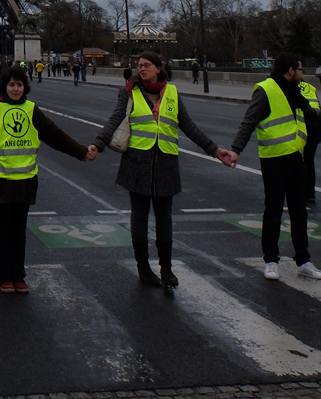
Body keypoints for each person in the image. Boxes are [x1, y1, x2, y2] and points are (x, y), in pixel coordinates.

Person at [88, 51, 235, 289]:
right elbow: (115, 120)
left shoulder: (173, 93)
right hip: (137, 162)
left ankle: (166, 267)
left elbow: (189, 127)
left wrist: (216, 151)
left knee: (165, 218)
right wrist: (98, 144)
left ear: (158, 68)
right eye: (140, 65)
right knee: (139, 217)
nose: (142, 69)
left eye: (147, 65)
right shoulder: (129, 92)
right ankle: (143, 267)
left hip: (166, 162)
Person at [0, 64, 88, 294]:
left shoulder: (31, 109)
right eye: (12, 85)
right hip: (0, 180)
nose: (16, 89)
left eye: (19, 85)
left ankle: (18, 275)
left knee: (19, 230)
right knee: (5, 229)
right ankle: (4, 276)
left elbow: (54, 135)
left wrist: (81, 152)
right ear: (4, 86)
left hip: (26, 180)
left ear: (25, 87)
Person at [227, 52, 321, 280]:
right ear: (290, 71)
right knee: (273, 212)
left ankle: (304, 261)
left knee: (299, 213)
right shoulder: (266, 90)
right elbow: (249, 121)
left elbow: (312, 116)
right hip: (274, 161)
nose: (302, 74)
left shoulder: (296, 92)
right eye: (300, 70)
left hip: (296, 159)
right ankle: (271, 261)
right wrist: (235, 150)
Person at [301, 73, 321, 203]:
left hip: (304, 125)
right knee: (309, 160)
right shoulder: (310, 87)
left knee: (296, 160)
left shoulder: (290, 87)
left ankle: (298, 191)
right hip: (317, 125)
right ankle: (310, 193)